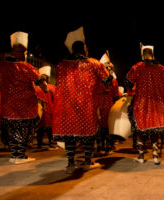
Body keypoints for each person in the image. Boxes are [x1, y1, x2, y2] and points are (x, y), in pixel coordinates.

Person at [52, 27, 112, 173]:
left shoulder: (61, 65)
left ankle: (70, 163)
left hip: (67, 107)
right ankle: (87, 162)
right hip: (87, 106)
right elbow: (107, 82)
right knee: (88, 135)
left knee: (70, 137)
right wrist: (109, 71)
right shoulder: (94, 63)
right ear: (84, 48)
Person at [0, 31, 45, 164]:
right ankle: (21, 156)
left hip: (8, 105)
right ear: (23, 53)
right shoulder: (27, 68)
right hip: (25, 106)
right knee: (24, 131)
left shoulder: (2, 67)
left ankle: (14, 155)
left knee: (12, 131)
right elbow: (41, 82)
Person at [126, 43, 164, 165]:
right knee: (154, 128)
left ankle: (141, 156)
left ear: (143, 55)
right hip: (157, 103)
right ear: (152, 55)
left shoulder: (138, 66)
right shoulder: (161, 68)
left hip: (142, 103)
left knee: (141, 129)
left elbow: (128, 81)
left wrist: (131, 91)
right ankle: (155, 155)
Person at [96, 51, 120, 155]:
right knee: (100, 127)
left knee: (107, 126)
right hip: (99, 105)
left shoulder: (113, 81)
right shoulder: (98, 79)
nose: (109, 70)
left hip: (108, 105)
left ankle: (106, 146)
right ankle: (101, 146)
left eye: (110, 68)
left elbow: (115, 96)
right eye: (107, 67)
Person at [35, 65, 58, 151]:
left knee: (45, 130)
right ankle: (49, 144)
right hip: (45, 111)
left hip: (46, 111)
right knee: (46, 130)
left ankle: (41, 144)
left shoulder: (49, 88)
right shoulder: (50, 87)